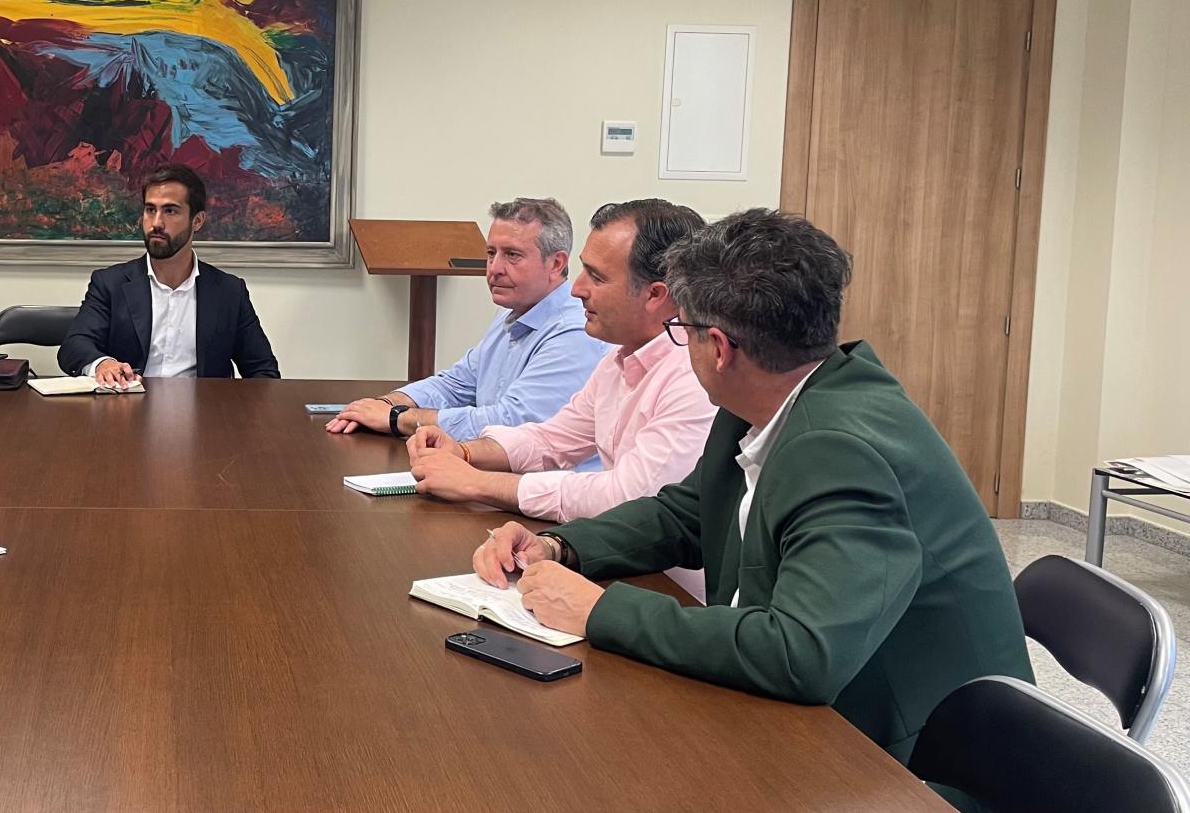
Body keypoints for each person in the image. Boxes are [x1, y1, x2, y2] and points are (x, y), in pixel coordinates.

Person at [472, 208, 1031, 764]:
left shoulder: (840, 451)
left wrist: (600, 611)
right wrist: (560, 546)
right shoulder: (766, 398)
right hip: (817, 717)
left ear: (718, 348)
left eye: (682, 331)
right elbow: (685, 515)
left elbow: (801, 652)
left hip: (914, 761)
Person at [405, 200, 716, 596]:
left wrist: (480, 484)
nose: (576, 288)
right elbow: (553, 439)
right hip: (618, 566)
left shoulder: (692, 373)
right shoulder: (620, 356)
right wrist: (465, 453)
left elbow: (630, 500)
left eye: (596, 277)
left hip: (674, 594)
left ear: (655, 294)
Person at [328, 197, 605, 440]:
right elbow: (455, 384)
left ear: (556, 263)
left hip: (543, 481)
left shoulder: (575, 331)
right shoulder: (511, 314)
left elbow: (510, 422)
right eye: (491, 253)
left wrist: (396, 418)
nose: (494, 268)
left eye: (512, 255)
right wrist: (386, 403)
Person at [58, 163, 280, 385]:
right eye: (150, 210)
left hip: (204, 405)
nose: (156, 223)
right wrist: (102, 364)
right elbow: (74, 346)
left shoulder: (228, 291)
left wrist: (237, 406)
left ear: (197, 221)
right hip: (129, 402)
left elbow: (263, 370)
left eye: (170, 211)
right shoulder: (110, 283)